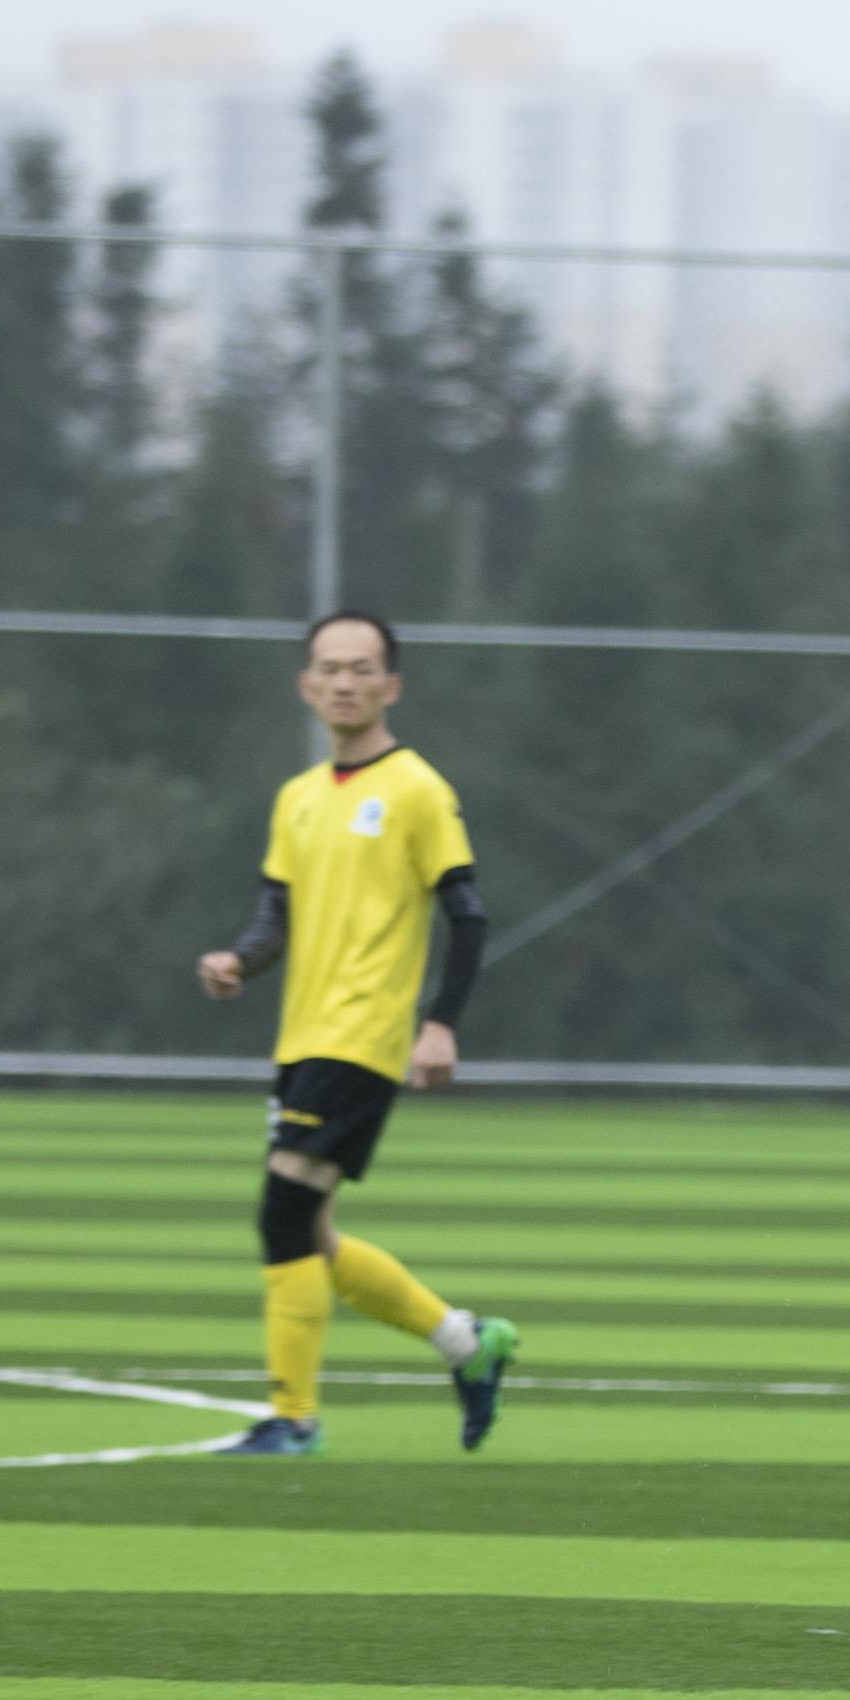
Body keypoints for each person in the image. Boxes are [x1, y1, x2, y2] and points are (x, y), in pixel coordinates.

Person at [195, 611, 520, 1454]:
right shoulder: (297, 798)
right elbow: (276, 914)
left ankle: (292, 1417)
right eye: (330, 668)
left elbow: (468, 914)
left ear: (391, 685)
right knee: (311, 1233)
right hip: (302, 1037)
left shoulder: (416, 788)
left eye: (362, 668)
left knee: (282, 1211)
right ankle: (467, 1343)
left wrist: (439, 1023)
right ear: (306, 685)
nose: (345, 682)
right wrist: (239, 960)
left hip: (363, 1034)